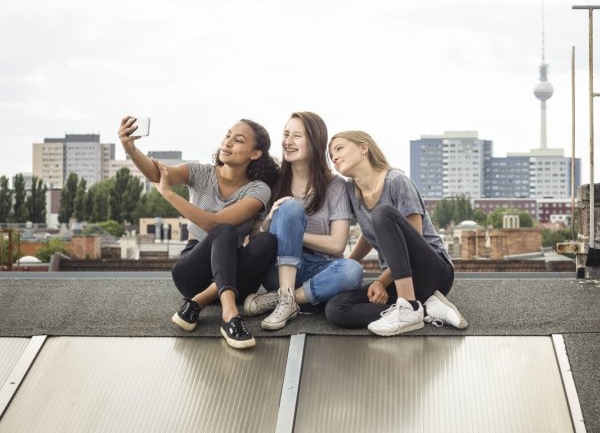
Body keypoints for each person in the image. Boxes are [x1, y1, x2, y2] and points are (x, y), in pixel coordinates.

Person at [118, 116, 279, 350]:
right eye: (227, 135)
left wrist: (169, 195)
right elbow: (158, 174)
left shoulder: (258, 190)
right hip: (192, 273)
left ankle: (197, 304)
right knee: (224, 231)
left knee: (267, 240)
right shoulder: (200, 172)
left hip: (236, 279)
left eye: (239, 140)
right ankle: (230, 316)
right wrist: (130, 148)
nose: (228, 142)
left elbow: (212, 224)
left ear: (255, 154)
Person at [325, 130, 467, 336]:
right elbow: (370, 233)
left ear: (364, 148)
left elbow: (412, 241)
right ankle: (426, 309)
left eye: (339, 148)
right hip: (399, 278)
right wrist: (348, 263)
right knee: (336, 309)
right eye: (331, 156)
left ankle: (409, 307)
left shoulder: (396, 181)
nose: (334, 157)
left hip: (432, 271)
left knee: (382, 213)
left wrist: (381, 281)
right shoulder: (351, 190)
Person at [242, 112, 363, 330]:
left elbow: (337, 245)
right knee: (290, 207)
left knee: (353, 270)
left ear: (315, 142)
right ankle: (286, 295)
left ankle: (285, 300)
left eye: (297, 136)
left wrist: (295, 233)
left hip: (320, 268)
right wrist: (270, 220)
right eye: (286, 134)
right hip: (277, 269)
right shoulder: (273, 181)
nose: (288, 142)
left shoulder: (336, 185)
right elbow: (255, 241)